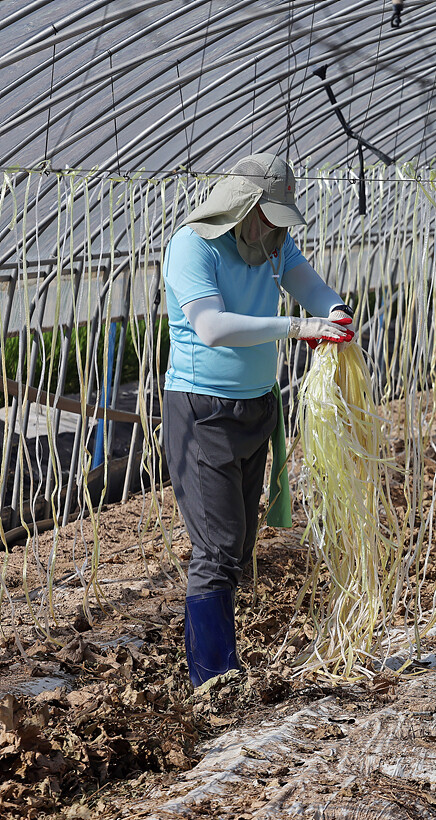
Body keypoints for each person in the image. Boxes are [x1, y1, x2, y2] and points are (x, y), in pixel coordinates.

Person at [163, 152, 355, 688]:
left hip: (256, 406)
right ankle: (212, 678)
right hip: (204, 411)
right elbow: (212, 327)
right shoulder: (192, 246)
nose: (275, 227)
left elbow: (311, 286)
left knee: (239, 546)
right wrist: (297, 330)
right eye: (267, 215)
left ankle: (223, 665)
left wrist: (334, 311)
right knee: (217, 547)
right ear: (241, 206)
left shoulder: (273, 245)